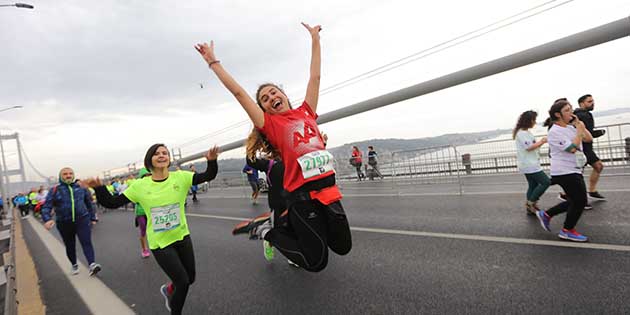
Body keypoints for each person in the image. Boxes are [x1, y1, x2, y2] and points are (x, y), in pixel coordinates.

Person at [196, 22, 352, 272]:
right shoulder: (270, 123)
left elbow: (315, 77)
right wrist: (214, 63)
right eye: (265, 99)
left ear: (284, 94)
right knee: (316, 262)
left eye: (273, 92)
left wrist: (314, 39)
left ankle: (286, 223)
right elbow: (238, 93)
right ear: (264, 109)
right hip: (303, 197)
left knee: (343, 246)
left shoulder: (306, 111)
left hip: (329, 191)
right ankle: (267, 230)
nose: (271, 98)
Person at [87, 144, 219, 315]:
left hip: (181, 236)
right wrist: (99, 188)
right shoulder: (140, 186)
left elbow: (209, 175)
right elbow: (111, 203)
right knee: (183, 282)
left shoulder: (181, 177)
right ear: (150, 159)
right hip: (161, 243)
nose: (162, 155)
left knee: (190, 278)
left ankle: (169, 290)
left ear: (169, 159)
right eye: (157, 154)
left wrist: (212, 161)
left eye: (165, 153)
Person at [536, 100, 592, 242]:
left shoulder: (570, 127)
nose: (571, 113)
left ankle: (546, 215)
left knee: (576, 200)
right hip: (564, 171)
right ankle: (567, 230)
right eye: (567, 110)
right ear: (557, 114)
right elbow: (572, 148)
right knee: (580, 201)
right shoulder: (554, 132)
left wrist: (579, 126)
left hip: (574, 168)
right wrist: (578, 131)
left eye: (571, 109)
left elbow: (589, 138)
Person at [41, 167, 101, 275]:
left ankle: (92, 264)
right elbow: (46, 206)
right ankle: (74, 264)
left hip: (82, 219)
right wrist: (47, 219)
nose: (68, 175)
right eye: (65, 174)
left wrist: (93, 217)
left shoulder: (81, 188)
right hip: (64, 223)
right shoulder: (55, 190)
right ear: (60, 177)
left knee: (86, 242)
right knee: (70, 245)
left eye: (70, 173)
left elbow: (90, 203)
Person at [513, 110, 551, 215]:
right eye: (534, 120)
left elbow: (532, 147)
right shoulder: (522, 133)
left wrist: (540, 143)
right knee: (546, 182)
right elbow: (529, 147)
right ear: (529, 120)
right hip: (530, 164)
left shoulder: (524, 132)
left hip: (529, 163)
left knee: (533, 185)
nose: (535, 122)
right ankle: (530, 203)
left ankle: (530, 206)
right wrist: (542, 141)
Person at [574, 94, 606, 200]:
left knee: (598, 166)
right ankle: (572, 196)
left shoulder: (582, 114)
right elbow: (585, 133)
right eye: (589, 101)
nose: (592, 103)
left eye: (593, 101)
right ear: (581, 104)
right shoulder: (583, 115)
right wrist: (599, 132)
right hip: (582, 149)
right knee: (576, 175)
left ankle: (592, 191)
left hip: (587, 148)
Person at [134, 168, 152, 258]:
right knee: (143, 230)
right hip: (141, 212)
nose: (148, 177)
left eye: (149, 175)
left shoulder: (153, 184)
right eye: (145, 176)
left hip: (151, 211)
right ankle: (144, 249)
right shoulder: (137, 185)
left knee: (154, 229)